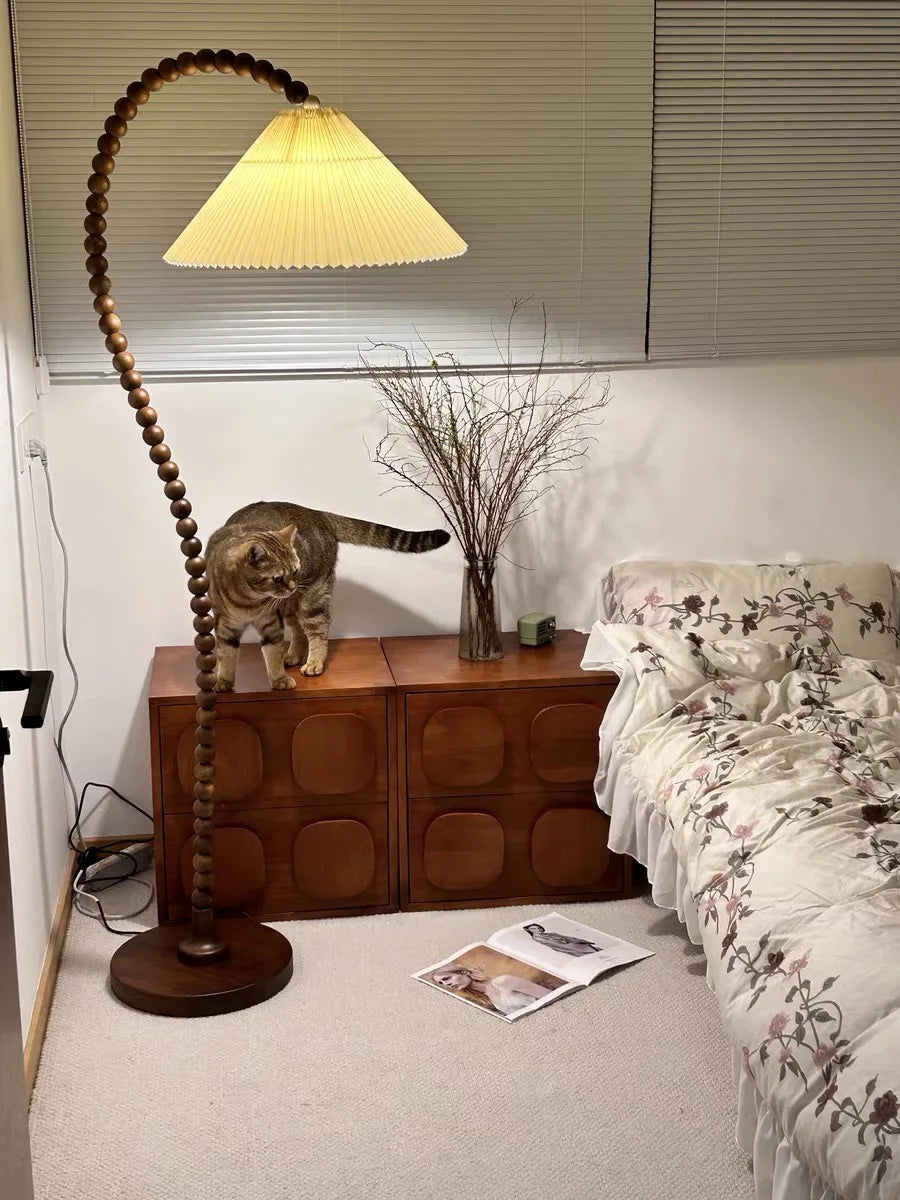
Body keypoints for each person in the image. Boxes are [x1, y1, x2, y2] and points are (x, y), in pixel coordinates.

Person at [429, 963, 554, 1016]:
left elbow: (550, 995)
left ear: (464, 972)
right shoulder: (484, 995)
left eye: (447, 978)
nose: (447, 984)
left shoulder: (503, 981)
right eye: (441, 983)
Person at [522, 923, 602, 957]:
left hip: (577, 944)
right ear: (530, 931)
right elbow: (557, 944)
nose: (538, 929)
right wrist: (573, 943)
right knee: (593, 954)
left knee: (599, 951)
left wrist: (582, 941)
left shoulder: (552, 933)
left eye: (538, 927)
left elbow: (569, 938)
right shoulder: (537, 938)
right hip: (569, 948)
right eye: (533, 929)